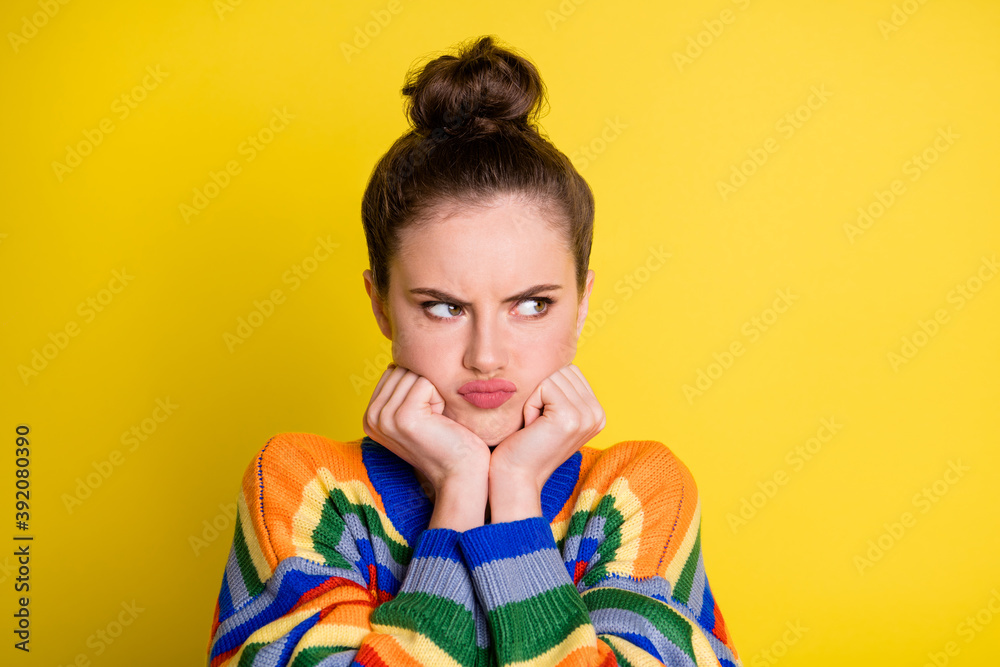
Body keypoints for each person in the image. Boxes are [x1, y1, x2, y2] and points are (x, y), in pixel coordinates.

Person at [206, 34, 742, 667]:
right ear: (380, 303)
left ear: (583, 302)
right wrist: (459, 495)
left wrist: (514, 494)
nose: (486, 356)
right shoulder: (307, 489)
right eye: (443, 306)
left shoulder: (633, 495)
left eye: (532, 304)